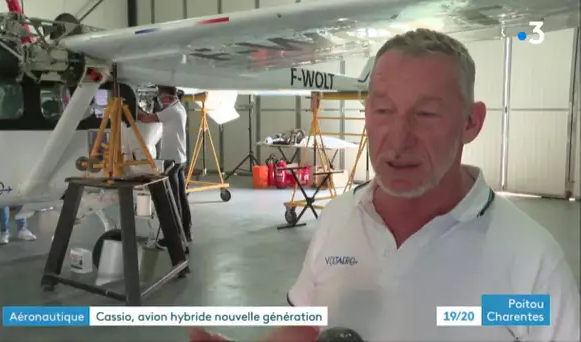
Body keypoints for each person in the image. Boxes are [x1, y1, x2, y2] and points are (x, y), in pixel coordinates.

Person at [189, 29, 580, 342]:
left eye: (425, 114)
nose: (398, 138)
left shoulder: (532, 261)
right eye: (382, 110)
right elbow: (306, 327)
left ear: (470, 123)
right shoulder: (339, 218)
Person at [138, 86, 193, 247]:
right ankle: (186, 233)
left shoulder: (171, 112)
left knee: (172, 201)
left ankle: (174, 238)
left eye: (160, 97)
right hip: (180, 159)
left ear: (168, 97)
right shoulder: (179, 108)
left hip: (171, 161)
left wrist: (131, 110)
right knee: (182, 198)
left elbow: (146, 119)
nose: (160, 101)